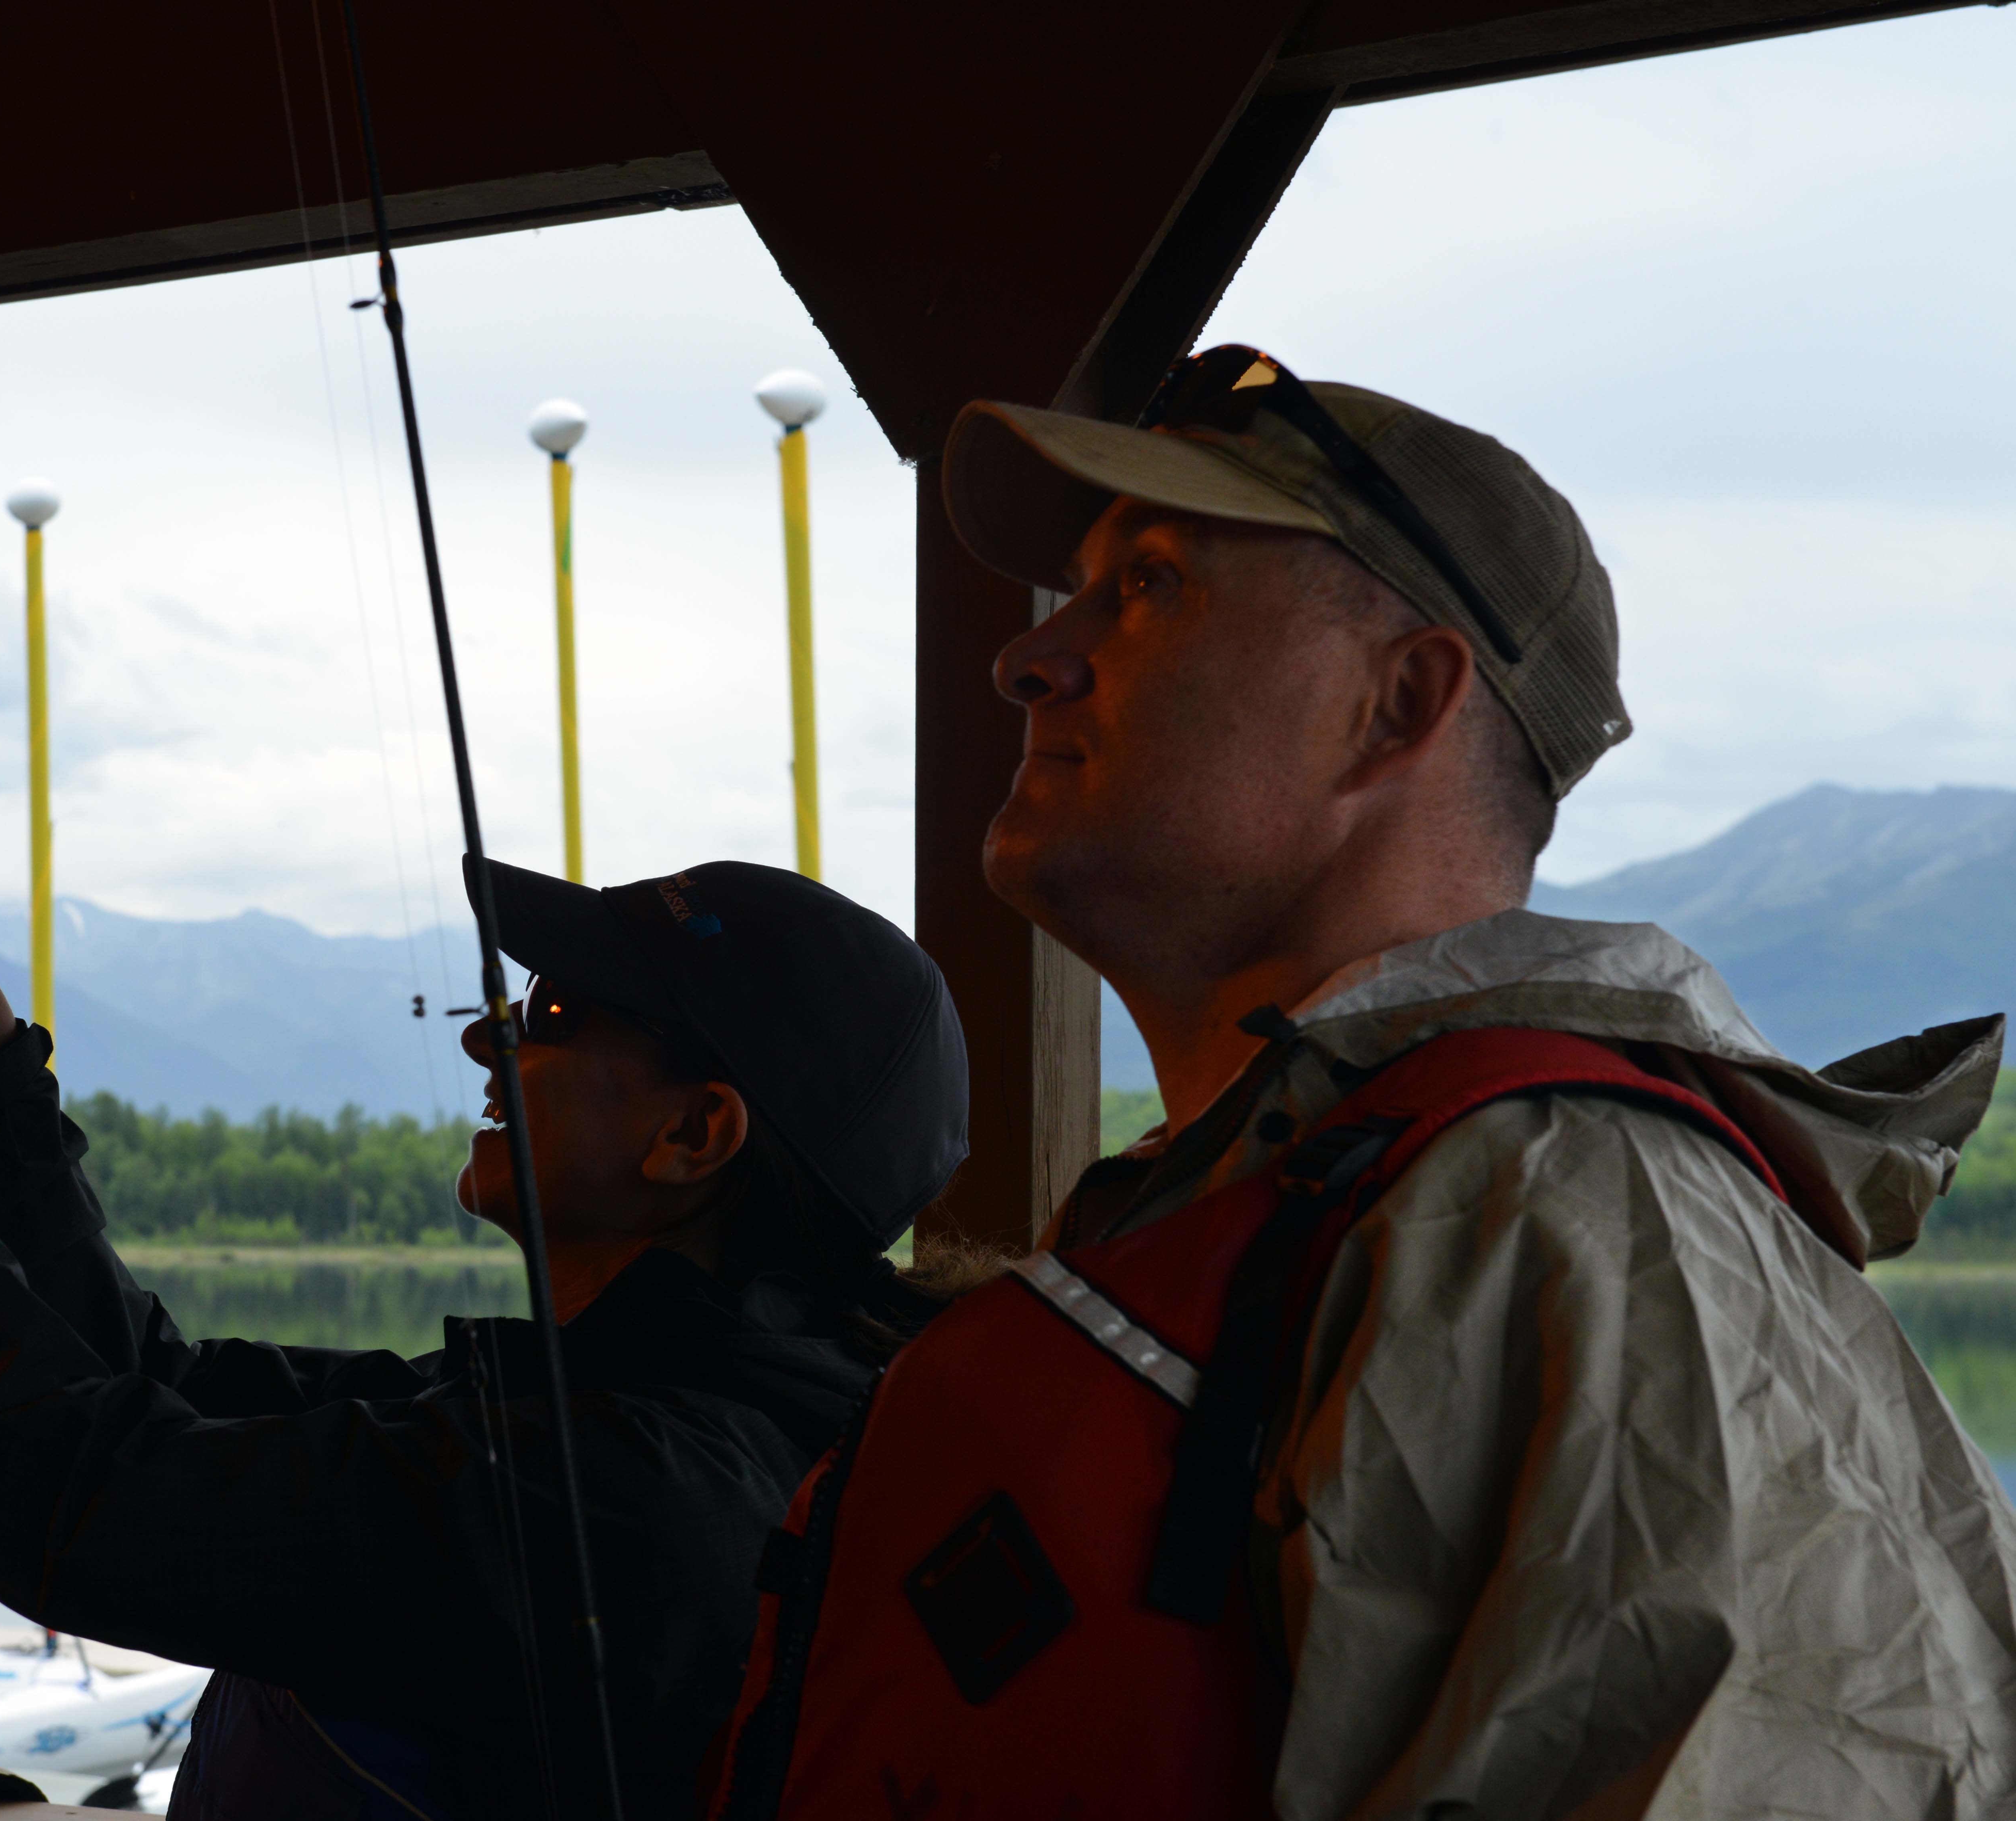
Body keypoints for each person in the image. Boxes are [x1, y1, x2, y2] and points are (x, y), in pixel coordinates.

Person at [708, 347, 2016, 1819]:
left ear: (1398, 707)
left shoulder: (1570, 1201)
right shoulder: (1292, 1199)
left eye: (1144, 588)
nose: (1030, 655)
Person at [0, 806, 966, 1821]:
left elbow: (80, 1494)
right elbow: (159, 1389)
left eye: (551, 1011)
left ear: (692, 1133)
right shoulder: (634, 1413)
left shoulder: (631, 1494)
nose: (483, 1037)